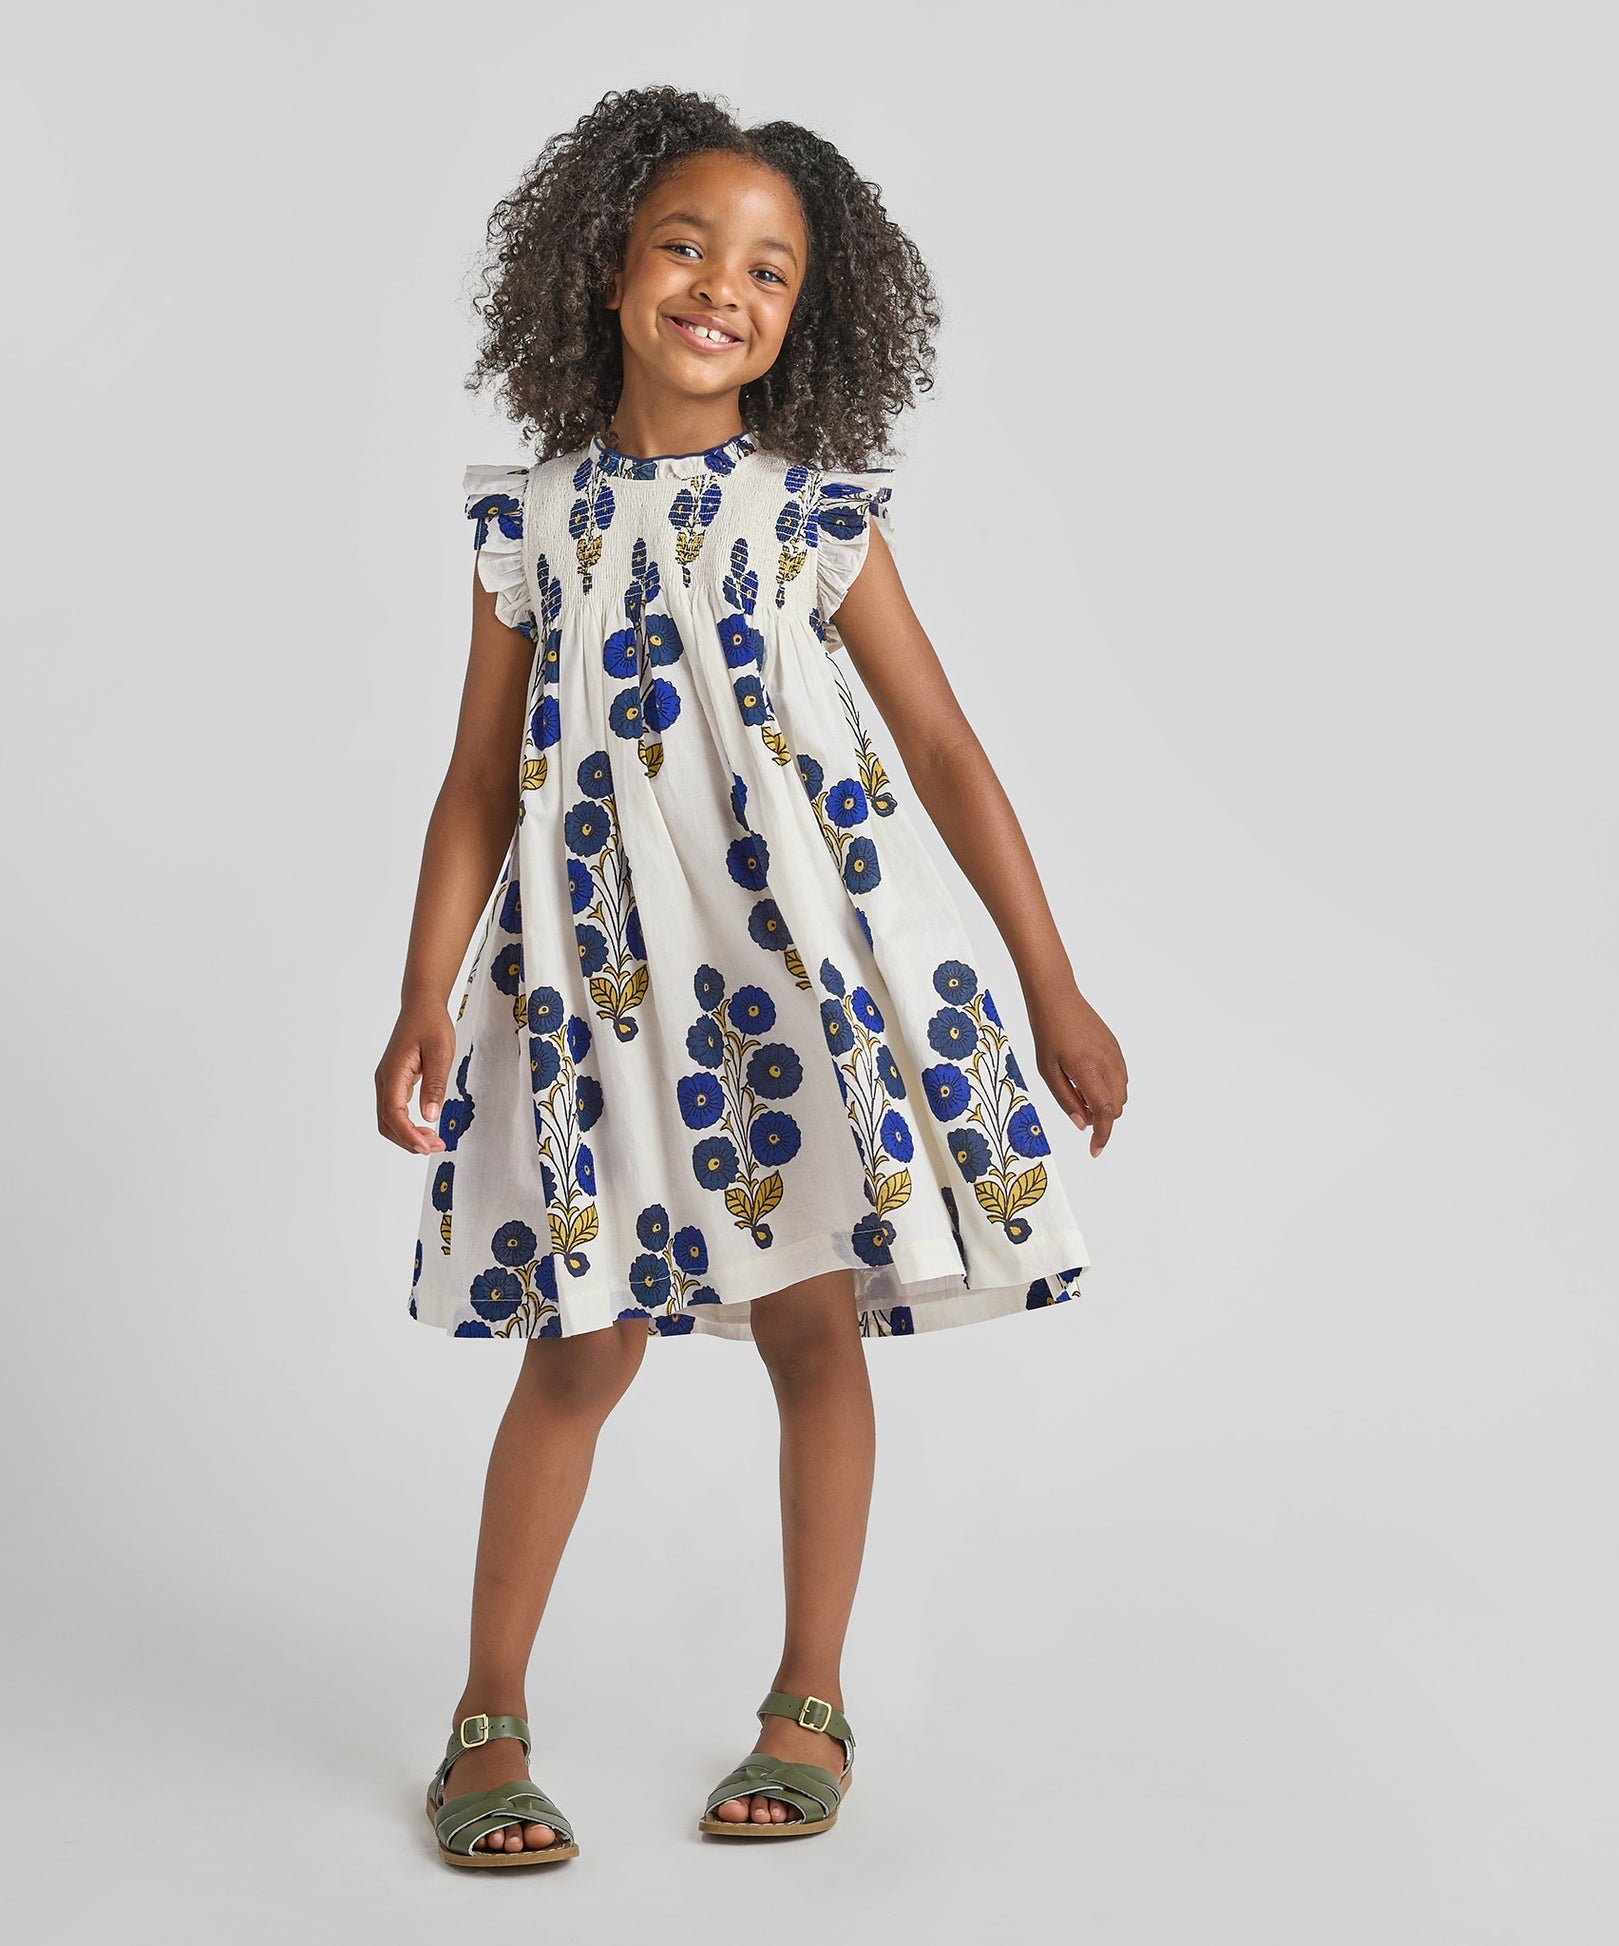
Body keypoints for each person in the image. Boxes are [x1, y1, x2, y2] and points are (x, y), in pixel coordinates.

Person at [375, 84, 1129, 1867]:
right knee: (580, 1343)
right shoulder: (529, 524)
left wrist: (1051, 983)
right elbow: (479, 782)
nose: (723, 285)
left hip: (795, 984)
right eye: (688, 245)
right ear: (608, 268)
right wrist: (423, 990)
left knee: (811, 1322)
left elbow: (942, 751)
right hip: (600, 988)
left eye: (770, 270)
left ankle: (810, 1696)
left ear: (809, 316)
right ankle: (487, 1717)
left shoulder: (814, 517)